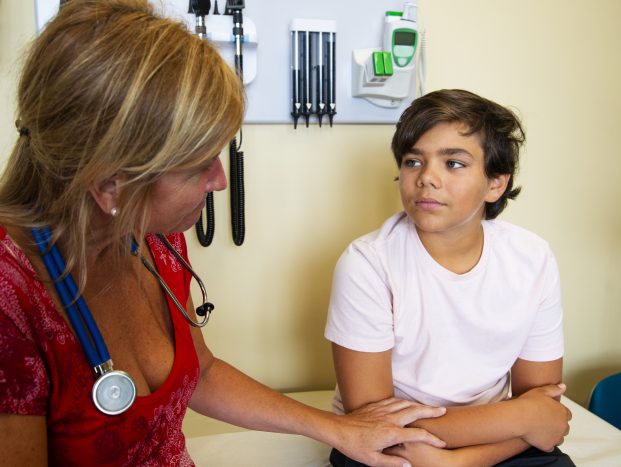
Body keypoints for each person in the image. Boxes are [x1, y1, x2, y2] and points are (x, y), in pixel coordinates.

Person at [0, 1, 448, 465]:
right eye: (198, 166)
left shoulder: (152, 234)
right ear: (110, 183)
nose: (220, 180)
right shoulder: (10, 299)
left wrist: (338, 429)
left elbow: (204, 372)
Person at [325, 89, 574, 466]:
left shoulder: (532, 259)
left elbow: (545, 412)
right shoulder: (367, 263)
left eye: (454, 163)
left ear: (496, 184)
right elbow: (371, 426)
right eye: (413, 162)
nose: (427, 178)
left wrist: (460, 462)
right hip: (392, 449)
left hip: (497, 440)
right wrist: (522, 418)